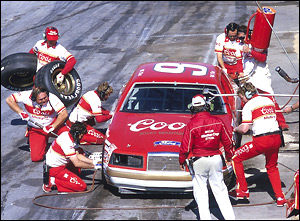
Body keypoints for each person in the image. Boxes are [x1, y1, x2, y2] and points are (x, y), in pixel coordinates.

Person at [229, 82, 287, 207]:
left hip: (261, 140)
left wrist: (234, 129)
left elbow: (244, 129)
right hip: (276, 137)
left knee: (235, 158)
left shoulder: (248, 105)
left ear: (247, 95)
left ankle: (243, 191)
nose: (242, 100)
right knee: (272, 167)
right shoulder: (268, 100)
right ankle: (280, 197)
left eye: (242, 97)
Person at [179, 95, 235, 220]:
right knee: (220, 190)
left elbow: (185, 147)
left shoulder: (192, 125)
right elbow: (228, 142)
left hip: (199, 160)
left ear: (193, 108)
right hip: (215, 159)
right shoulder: (218, 121)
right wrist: (229, 156)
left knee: (201, 192)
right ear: (206, 106)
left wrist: (181, 161)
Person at [237, 25, 289, 131]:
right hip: (247, 77)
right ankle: (246, 123)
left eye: (243, 37)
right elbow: (239, 61)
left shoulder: (259, 44)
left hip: (261, 76)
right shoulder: (240, 46)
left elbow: (262, 58)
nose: (241, 40)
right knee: (245, 99)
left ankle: (282, 123)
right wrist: (239, 73)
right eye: (240, 38)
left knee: (270, 99)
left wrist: (250, 51)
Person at [6, 86, 69, 162]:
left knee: (73, 137)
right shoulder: (26, 96)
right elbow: (9, 100)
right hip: (36, 129)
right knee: (36, 158)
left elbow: (64, 114)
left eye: (45, 97)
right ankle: (34, 138)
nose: (44, 100)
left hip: (53, 125)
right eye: (40, 99)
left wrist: (52, 126)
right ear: (33, 99)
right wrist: (21, 112)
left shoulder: (53, 98)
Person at [43, 122, 101, 193]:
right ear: (76, 134)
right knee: (81, 186)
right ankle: (53, 181)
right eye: (81, 135)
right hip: (55, 168)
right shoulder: (67, 143)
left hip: (63, 163)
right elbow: (77, 163)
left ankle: (61, 176)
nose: (82, 137)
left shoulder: (69, 135)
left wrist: (93, 162)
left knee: (78, 167)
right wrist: (94, 166)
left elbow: (78, 155)